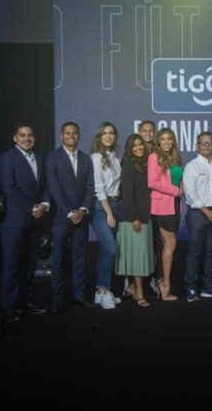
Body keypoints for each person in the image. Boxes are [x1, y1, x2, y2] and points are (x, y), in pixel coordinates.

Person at [0, 123, 50, 322]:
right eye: (22, 135)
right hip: (14, 222)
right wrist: (31, 208)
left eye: (30, 135)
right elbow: (9, 188)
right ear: (15, 138)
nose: (27, 138)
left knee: (29, 266)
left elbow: (45, 186)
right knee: (12, 267)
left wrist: (45, 204)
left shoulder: (40, 158)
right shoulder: (6, 158)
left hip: (35, 221)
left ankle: (27, 304)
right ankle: (9, 309)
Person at [46, 122, 95, 313]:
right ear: (61, 136)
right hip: (61, 217)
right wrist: (69, 212)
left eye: (74, 133)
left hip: (81, 217)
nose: (71, 136)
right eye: (67, 133)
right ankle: (58, 299)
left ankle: (79, 296)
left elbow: (90, 187)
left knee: (79, 259)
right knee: (58, 260)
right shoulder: (53, 157)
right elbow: (54, 187)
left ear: (79, 136)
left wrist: (82, 210)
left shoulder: (86, 159)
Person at [183, 132, 212, 302]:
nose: (206, 145)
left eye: (209, 143)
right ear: (197, 146)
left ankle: (208, 287)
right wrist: (207, 212)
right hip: (197, 213)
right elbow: (190, 193)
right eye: (203, 143)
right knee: (195, 251)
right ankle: (191, 288)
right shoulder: (192, 166)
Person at [116, 134, 154, 307]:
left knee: (142, 257)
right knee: (138, 259)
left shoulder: (145, 164)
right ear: (129, 149)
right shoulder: (128, 165)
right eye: (134, 145)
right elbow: (127, 195)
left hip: (145, 217)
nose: (139, 148)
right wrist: (134, 218)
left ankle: (131, 287)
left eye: (140, 144)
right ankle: (139, 293)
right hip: (133, 219)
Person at [90, 121, 122, 310]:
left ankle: (100, 293)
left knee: (104, 251)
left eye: (111, 133)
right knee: (111, 249)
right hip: (101, 206)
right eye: (105, 133)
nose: (108, 136)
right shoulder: (96, 157)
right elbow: (99, 187)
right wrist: (109, 212)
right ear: (99, 136)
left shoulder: (114, 157)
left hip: (116, 204)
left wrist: (115, 208)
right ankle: (105, 290)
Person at [148, 128, 182, 302]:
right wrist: (176, 191)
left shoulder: (175, 158)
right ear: (158, 141)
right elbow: (152, 182)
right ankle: (164, 285)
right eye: (163, 139)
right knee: (170, 243)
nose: (166, 142)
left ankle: (163, 283)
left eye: (169, 139)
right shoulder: (154, 157)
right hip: (161, 206)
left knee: (170, 243)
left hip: (174, 205)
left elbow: (178, 179)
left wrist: (181, 189)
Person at [138, 120, 161, 294]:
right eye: (144, 130)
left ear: (154, 133)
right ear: (140, 132)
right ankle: (132, 282)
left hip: (157, 203)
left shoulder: (159, 151)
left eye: (150, 130)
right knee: (138, 244)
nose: (147, 133)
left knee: (156, 243)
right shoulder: (135, 149)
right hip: (140, 203)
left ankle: (156, 278)